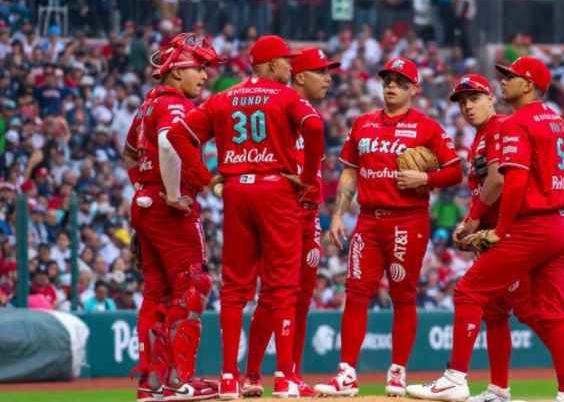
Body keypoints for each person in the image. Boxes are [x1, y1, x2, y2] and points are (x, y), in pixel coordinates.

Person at [406, 57, 564, 402]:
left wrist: (488, 226)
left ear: (527, 85)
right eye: (462, 101)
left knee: (468, 293)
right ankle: (561, 390)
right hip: (559, 224)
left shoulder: (511, 124)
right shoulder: (557, 122)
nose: (504, 81)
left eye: (509, 77)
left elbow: (506, 180)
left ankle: (455, 378)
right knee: (523, 312)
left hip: (528, 226)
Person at [167, 35, 324, 400]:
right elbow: (314, 129)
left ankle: (227, 378)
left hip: (236, 190)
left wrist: (206, 179)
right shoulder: (286, 96)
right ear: (271, 65)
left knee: (236, 288)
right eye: (286, 61)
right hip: (275, 189)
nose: (290, 66)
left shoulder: (223, 98)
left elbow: (179, 134)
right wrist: (307, 177)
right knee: (284, 284)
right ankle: (284, 377)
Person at [314, 56, 462, 397]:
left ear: (414, 88)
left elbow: (455, 171)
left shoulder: (427, 126)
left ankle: (397, 372)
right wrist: (338, 215)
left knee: (403, 296)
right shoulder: (362, 123)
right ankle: (346, 374)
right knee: (355, 294)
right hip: (368, 219)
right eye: (387, 81)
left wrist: (426, 177)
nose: (391, 86)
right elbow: (350, 171)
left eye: (399, 81)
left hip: (408, 220)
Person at [125, 32, 224, 402]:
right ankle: (179, 382)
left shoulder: (147, 104)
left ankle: (151, 384)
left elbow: (130, 155)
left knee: (156, 295)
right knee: (194, 286)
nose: (204, 77)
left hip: (146, 206)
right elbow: (169, 142)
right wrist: (169, 192)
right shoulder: (175, 105)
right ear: (178, 70)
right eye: (199, 68)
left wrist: (143, 192)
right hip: (171, 208)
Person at [243, 47, 340, 398]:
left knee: (299, 298)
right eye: (322, 71)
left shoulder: (308, 112)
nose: (329, 78)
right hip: (280, 210)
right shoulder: (277, 105)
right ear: (300, 76)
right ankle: (253, 374)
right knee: (273, 294)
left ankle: (291, 374)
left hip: (309, 213)